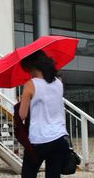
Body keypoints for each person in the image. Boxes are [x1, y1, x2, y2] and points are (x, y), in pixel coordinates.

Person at [19, 50, 69, 178]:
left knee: (28, 174)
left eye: (28, 69)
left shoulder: (30, 85)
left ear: (33, 67)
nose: (28, 72)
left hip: (39, 139)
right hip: (59, 138)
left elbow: (22, 115)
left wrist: (22, 101)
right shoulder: (58, 82)